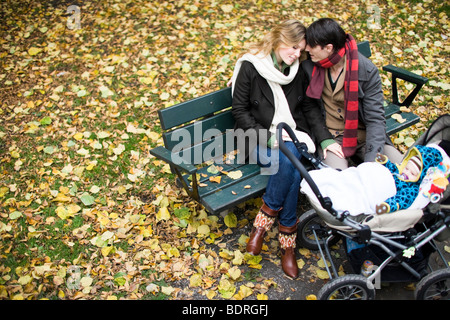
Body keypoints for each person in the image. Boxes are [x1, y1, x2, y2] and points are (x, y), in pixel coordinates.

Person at [230, 19, 326, 279]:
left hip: (289, 134)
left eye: (301, 50)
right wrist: (267, 137)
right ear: (277, 40)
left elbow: (306, 108)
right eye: (293, 47)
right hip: (255, 137)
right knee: (290, 161)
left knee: (289, 158)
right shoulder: (251, 66)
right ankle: (287, 246)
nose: (296, 54)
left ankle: (261, 227)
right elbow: (239, 110)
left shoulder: (297, 69)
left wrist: (324, 139)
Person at [301, 18, 403, 170]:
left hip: (364, 136)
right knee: (338, 180)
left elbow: (375, 119)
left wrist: (371, 164)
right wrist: (325, 139)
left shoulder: (366, 70)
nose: (307, 49)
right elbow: (309, 107)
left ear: (328, 48)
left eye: (312, 45)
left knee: (402, 168)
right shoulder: (310, 67)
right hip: (333, 137)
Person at [375, 144, 446, 214]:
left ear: (420, 177)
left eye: (412, 173)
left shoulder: (411, 189)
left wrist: (388, 205)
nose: (407, 173)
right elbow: (392, 168)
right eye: (406, 168)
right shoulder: (399, 171)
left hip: (385, 195)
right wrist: (385, 161)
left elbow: (402, 200)